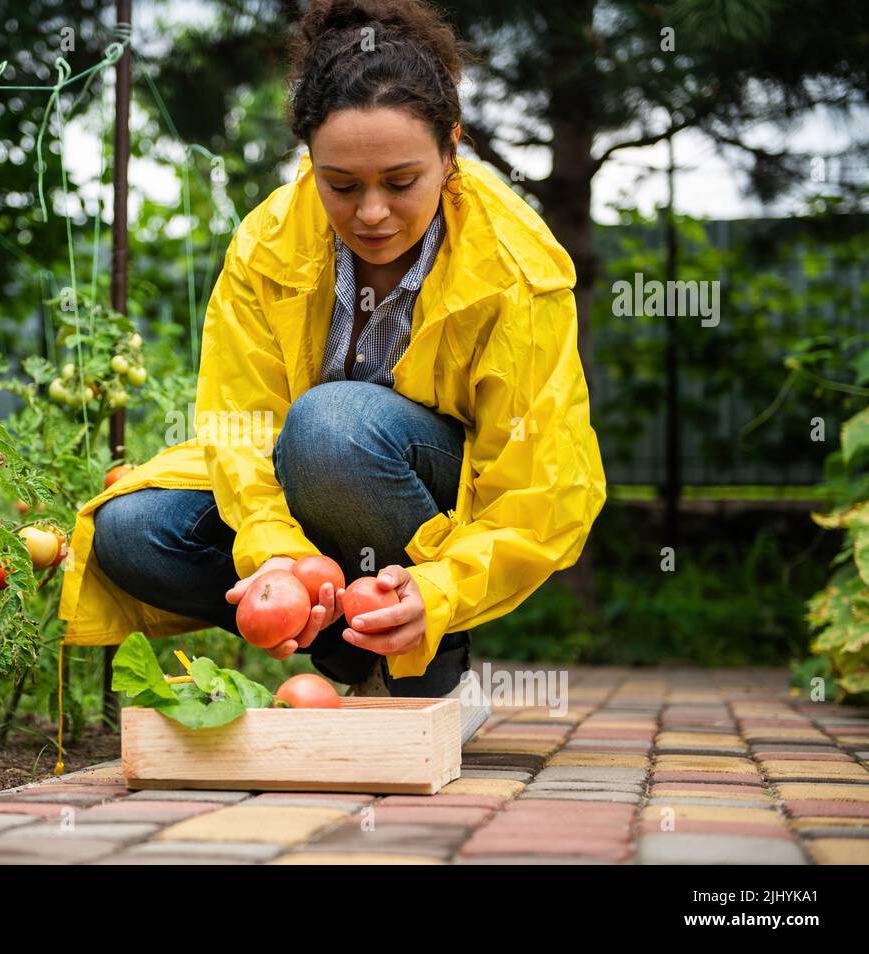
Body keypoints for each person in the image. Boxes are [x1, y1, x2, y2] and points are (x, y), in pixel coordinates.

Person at [57, 0, 606, 744]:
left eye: (401, 181)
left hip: (432, 497)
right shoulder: (267, 244)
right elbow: (238, 424)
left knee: (331, 425)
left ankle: (424, 643)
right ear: (309, 162)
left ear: (451, 152)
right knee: (129, 532)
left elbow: (547, 490)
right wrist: (278, 556)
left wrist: (438, 590)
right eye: (340, 185)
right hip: (308, 493)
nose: (371, 212)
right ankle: (349, 642)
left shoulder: (515, 269)